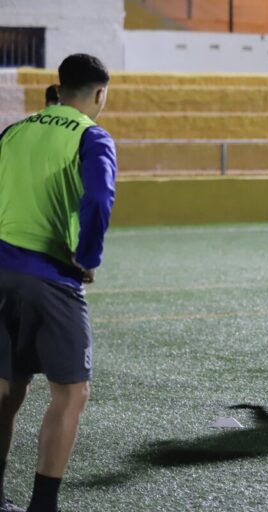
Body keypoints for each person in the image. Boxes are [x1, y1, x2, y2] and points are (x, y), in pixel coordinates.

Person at [0, 53, 117, 512]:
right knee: (71, 393)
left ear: (59, 86)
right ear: (100, 93)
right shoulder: (92, 137)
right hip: (49, 276)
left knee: (7, 390)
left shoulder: (13, 130)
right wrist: (87, 258)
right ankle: (43, 506)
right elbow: (98, 201)